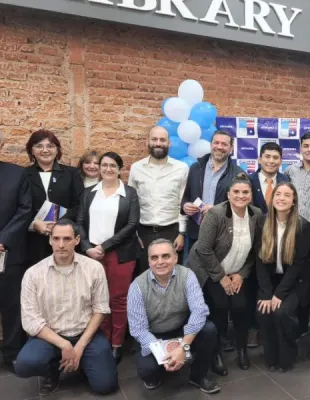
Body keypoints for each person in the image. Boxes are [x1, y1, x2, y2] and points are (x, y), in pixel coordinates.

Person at [14, 219, 117, 396]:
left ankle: (82, 360)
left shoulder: (94, 268)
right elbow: (30, 321)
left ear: (77, 240)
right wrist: (64, 345)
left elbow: (101, 309)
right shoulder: (33, 274)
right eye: (56, 239)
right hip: (50, 337)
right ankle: (53, 369)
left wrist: (79, 346)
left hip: (86, 335)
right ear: (50, 240)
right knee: (25, 365)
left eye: (67, 239)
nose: (61, 245)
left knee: (105, 386)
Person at [186, 173, 263, 374]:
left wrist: (241, 275)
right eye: (236, 192)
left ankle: (242, 349)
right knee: (219, 307)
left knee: (241, 307)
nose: (240, 195)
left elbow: (256, 250)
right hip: (210, 270)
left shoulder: (256, 215)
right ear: (228, 194)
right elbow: (203, 249)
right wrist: (221, 277)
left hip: (236, 272)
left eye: (245, 192)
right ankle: (216, 353)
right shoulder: (216, 214)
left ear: (250, 196)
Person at [127, 239, 220, 394]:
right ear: (148, 261)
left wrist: (183, 346)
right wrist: (164, 353)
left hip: (181, 329)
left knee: (209, 329)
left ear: (175, 258)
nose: (160, 262)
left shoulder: (187, 276)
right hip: (154, 336)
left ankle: (198, 376)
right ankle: (160, 370)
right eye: (154, 258)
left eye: (166, 256)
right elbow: (138, 330)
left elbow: (199, 311)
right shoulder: (137, 286)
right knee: (147, 372)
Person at [77, 152, 140, 364]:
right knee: (97, 299)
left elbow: (132, 225)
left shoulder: (129, 193)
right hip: (92, 255)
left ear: (120, 168)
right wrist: (87, 248)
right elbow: (80, 222)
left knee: (118, 299)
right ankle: (103, 339)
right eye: (104, 165)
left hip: (121, 254)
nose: (108, 169)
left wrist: (104, 246)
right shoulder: (88, 193)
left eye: (113, 165)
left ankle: (117, 343)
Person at [255, 182, 310, 372]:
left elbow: (298, 266)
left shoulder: (303, 226)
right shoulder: (261, 223)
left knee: (282, 312)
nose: (281, 198)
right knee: (264, 311)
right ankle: (271, 357)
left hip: (295, 281)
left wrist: (278, 295)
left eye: (286, 195)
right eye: (277, 194)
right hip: (271, 281)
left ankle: (287, 357)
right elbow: (260, 261)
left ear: (293, 200)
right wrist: (266, 293)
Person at [128, 126, 188, 273]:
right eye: (154, 139)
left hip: (172, 232)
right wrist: (134, 234)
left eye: (162, 140)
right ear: (147, 142)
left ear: (169, 143)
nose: (158, 143)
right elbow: (131, 203)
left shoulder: (182, 168)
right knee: (145, 275)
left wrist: (181, 233)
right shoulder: (136, 168)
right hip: (143, 233)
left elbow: (183, 202)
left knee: (172, 275)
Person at [247, 142, 290, 347]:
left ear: (281, 161)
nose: (271, 161)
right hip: (254, 240)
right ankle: (255, 329)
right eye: (267, 156)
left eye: (275, 158)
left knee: (274, 281)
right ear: (259, 159)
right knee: (256, 283)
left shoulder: (285, 181)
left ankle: (275, 328)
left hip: (281, 240)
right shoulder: (249, 180)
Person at [25, 129, 84, 266]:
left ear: (57, 150)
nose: (45, 150)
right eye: (39, 146)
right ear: (31, 150)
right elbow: (20, 206)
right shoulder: (23, 175)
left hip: (65, 239)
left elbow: (79, 204)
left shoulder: (71, 174)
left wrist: (60, 224)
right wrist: (34, 224)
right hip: (33, 242)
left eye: (50, 146)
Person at [284, 131, 310, 337]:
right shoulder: (290, 171)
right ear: (300, 148)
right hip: (293, 233)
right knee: (294, 275)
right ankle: (296, 324)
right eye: (306, 146)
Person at [0, 131, 32, 371]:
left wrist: (3, 239)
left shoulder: (17, 174)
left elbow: (25, 209)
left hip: (8, 252)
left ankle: (12, 354)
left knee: (12, 305)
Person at [181, 130, 243, 249]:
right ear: (211, 145)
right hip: (196, 234)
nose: (219, 147)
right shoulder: (195, 168)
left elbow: (242, 208)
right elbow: (186, 196)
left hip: (223, 235)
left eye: (224, 144)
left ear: (231, 148)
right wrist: (185, 206)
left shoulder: (238, 174)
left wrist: (217, 210)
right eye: (216, 143)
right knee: (195, 267)